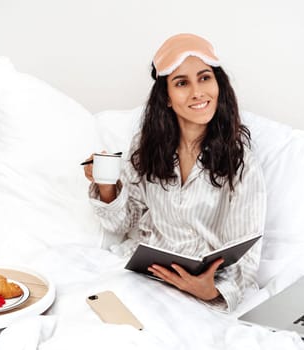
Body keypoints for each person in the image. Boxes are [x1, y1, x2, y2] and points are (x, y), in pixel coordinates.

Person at [83, 33, 266, 312]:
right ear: (167, 97)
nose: (197, 92)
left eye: (204, 78)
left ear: (218, 84)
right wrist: (106, 185)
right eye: (182, 83)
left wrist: (212, 291)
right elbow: (120, 225)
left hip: (202, 289)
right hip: (144, 276)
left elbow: (247, 254)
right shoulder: (145, 148)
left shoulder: (241, 162)